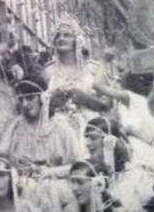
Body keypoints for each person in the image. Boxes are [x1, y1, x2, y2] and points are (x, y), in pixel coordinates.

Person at [0, 76, 82, 212]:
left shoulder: (61, 127)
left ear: (43, 98)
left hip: (56, 184)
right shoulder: (16, 128)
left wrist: (49, 172)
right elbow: (0, 156)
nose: (24, 104)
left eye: (29, 98)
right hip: (23, 185)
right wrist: (13, 124)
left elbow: (77, 166)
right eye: (21, 100)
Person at [44, 14, 111, 145]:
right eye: (58, 35)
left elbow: (107, 104)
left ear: (76, 40)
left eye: (67, 35)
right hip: (57, 132)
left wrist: (82, 97)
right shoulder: (48, 71)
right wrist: (56, 97)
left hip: (90, 129)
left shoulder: (93, 68)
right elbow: (41, 107)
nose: (61, 39)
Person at [84, 117, 154, 212]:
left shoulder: (137, 177)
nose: (87, 143)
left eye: (93, 138)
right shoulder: (87, 175)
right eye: (86, 138)